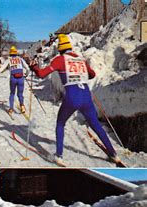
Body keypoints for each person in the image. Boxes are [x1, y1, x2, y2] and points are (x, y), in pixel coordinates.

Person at [29, 34, 122, 166]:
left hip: (72, 96)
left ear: (60, 49)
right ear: (70, 48)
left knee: (60, 123)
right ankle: (114, 154)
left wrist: (34, 67)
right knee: (95, 125)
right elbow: (92, 74)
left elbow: (42, 74)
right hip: (86, 95)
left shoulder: (59, 59)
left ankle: (59, 156)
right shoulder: (80, 59)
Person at [0, 46, 30, 117]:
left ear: (10, 53)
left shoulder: (8, 60)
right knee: (20, 94)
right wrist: (26, 74)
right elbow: (27, 68)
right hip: (21, 78)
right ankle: (22, 106)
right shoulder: (20, 59)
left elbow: (1, 69)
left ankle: (11, 109)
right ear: (16, 53)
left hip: (13, 78)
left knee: (12, 93)